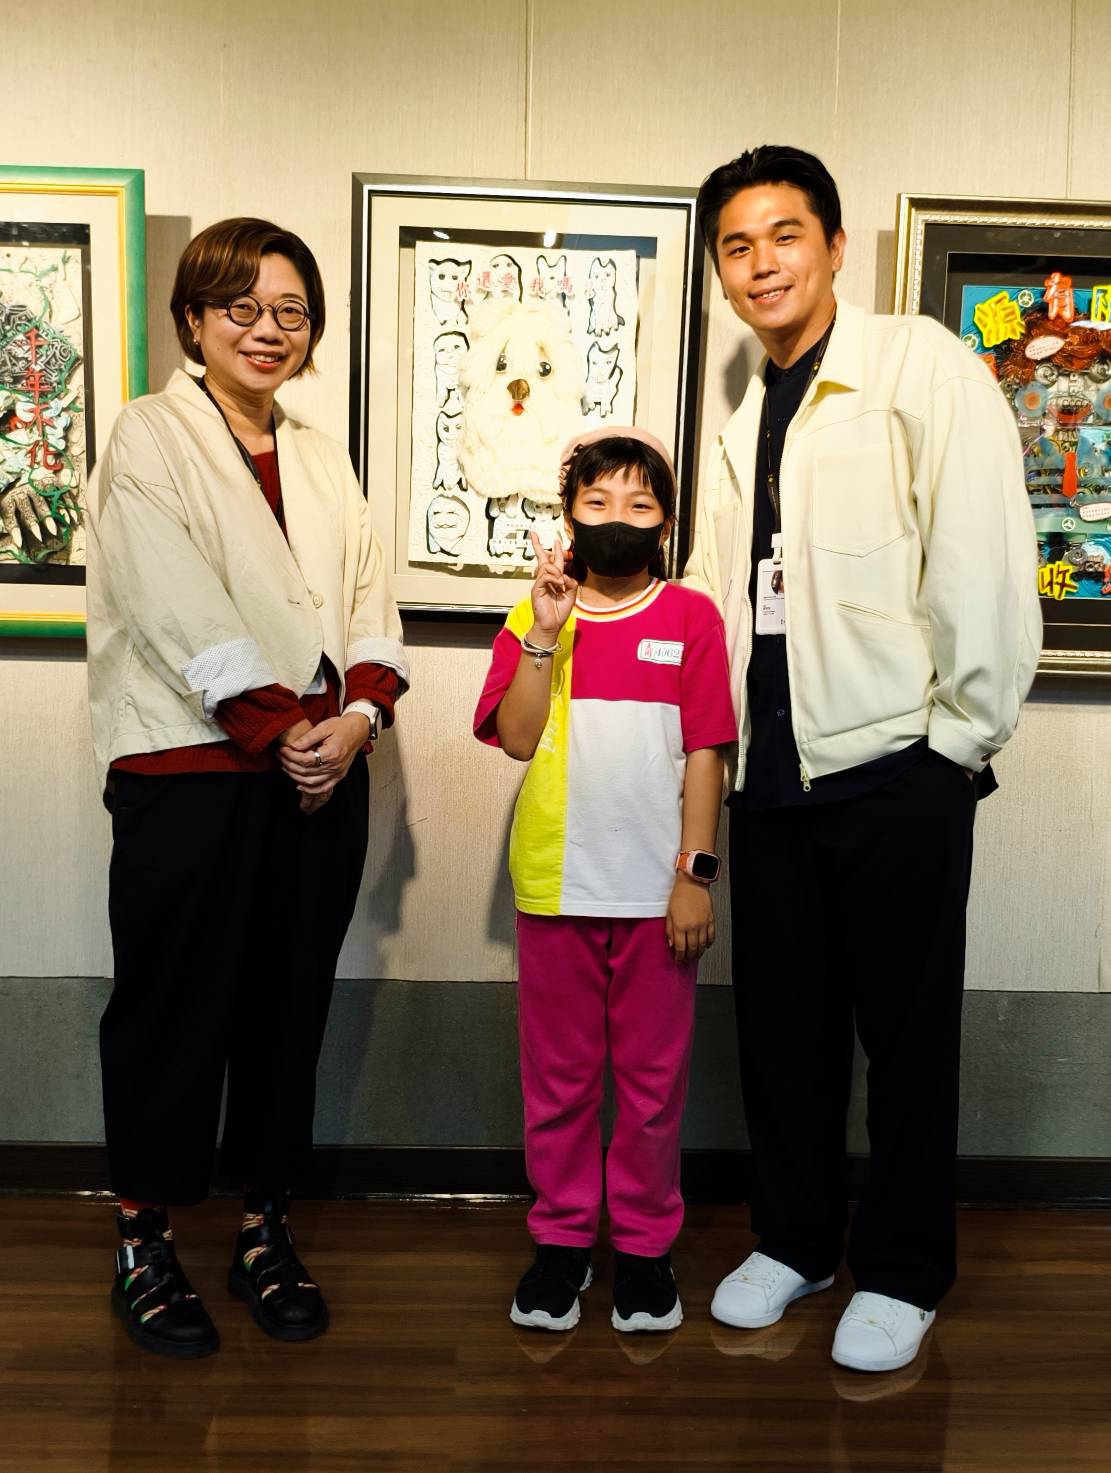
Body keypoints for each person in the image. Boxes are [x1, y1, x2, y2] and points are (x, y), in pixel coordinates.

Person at [685, 147, 1041, 1372]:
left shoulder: (915, 365)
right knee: (780, 1033)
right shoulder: (743, 420)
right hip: (770, 777)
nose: (761, 263)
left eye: (784, 234)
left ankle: (901, 1268)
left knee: (905, 1036)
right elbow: (721, 600)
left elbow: (983, 553)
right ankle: (793, 1240)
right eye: (737, 246)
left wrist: (956, 745)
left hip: (898, 767)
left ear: (835, 247)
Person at [86, 217, 409, 1359]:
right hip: (194, 768)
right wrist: (282, 729)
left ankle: (265, 1226)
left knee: (286, 1008)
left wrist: (359, 719)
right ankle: (143, 1238)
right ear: (193, 318)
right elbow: (171, 596)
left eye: (291, 313)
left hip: (321, 771)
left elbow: (367, 596)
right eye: (241, 307)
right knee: (173, 1007)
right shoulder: (148, 434)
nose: (267, 330)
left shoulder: (321, 455)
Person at [474, 428, 737, 1333]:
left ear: (664, 520)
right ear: (568, 516)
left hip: (659, 896)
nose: (616, 517)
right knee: (557, 1082)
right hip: (556, 885)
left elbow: (707, 751)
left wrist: (694, 873)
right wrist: (545, 635)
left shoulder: (691, 616)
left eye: (637, 502)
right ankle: (560, 1244)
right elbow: (515, 738)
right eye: (596, 502)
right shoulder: (534, 613)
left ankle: (643, 1248)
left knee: (654, 1087)